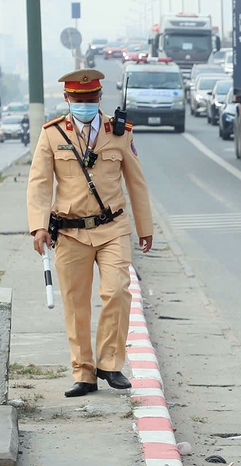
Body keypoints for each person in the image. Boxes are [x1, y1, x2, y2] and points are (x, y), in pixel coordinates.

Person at [26, 69, 153, 398]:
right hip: (70, 233)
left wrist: (145, 227)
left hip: (112, 229)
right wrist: (39, 226)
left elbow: (136, 182)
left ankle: (110, 364)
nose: (85, 104)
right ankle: (83, 373)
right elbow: (40, 184)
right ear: (68, 99)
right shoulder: (52, 134)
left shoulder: (120, 132)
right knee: (75, 303)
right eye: (78, 100)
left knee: (117, 291)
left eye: (91, 99)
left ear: (99, 98)